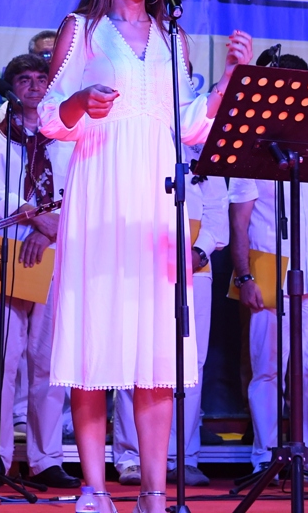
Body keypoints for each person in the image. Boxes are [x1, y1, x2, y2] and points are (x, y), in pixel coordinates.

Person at [39, 0, 252, 513]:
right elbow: (49, 117)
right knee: (94, 344)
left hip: (157, 200)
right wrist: (79, 102)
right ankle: (95, 488)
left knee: (156, 350)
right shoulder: (82, 29)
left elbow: (190, 126)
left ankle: (154, 492)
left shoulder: (171, 37)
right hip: (101, 196)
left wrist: (230, 80)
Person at [227, 53, 308, 483]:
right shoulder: (251, 145)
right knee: (266, 370)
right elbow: (240, 220)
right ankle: (266, 455)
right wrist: (244, 277)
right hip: (269, 277)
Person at [0, 54, 77, 490]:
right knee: (1, 359)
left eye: (41, 79)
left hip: (57, 252)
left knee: (48, 362)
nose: (34, 86)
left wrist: (51, 232)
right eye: (24, 79)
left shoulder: (67, 137)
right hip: (8, 250)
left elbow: (79, 193)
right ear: (11, 87)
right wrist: (39, 221)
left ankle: (45, 458)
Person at [115, 136, 229, 488]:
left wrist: (198, 251)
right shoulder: (138, 137)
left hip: (195, 268)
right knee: (136, 356)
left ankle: (184, 456)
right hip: (141, 259)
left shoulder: (203, 146)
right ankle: (132, 456)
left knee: (190, 363)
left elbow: (217, 211)